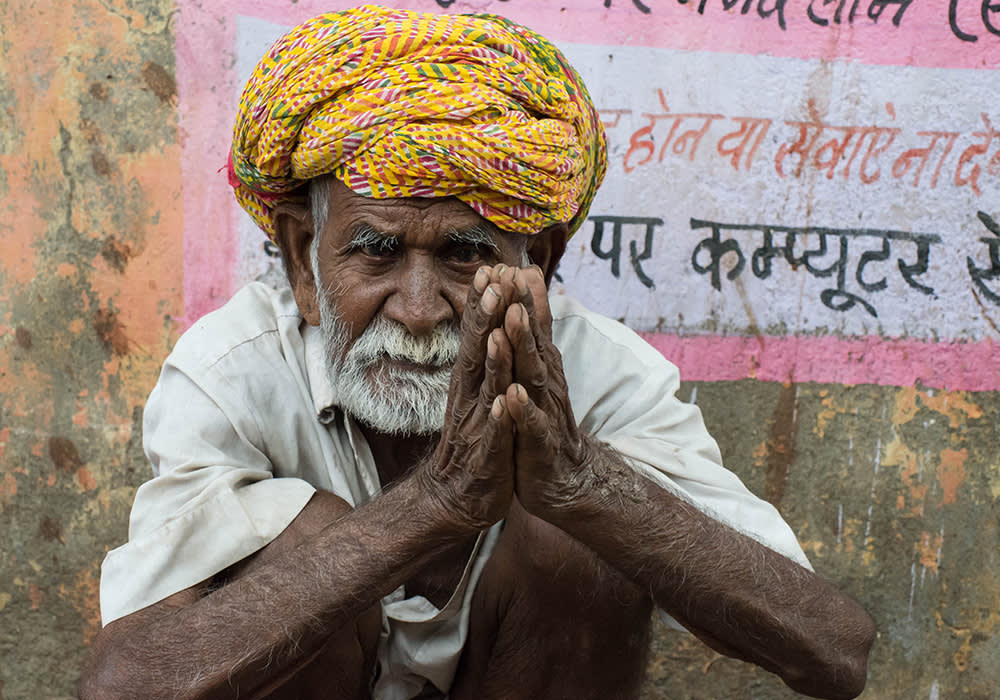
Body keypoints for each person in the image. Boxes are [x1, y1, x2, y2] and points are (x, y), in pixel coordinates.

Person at [78, 7, 875, 700]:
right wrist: (432, 507)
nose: (420, 312)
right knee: (297, 540)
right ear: (300, 260)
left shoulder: (602, 375)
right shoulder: (231, 373)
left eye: (465, 255)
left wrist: (578, 481)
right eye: (376, 252)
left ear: (540, 264)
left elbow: (835, 652)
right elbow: (124, 685)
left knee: (580, 534)